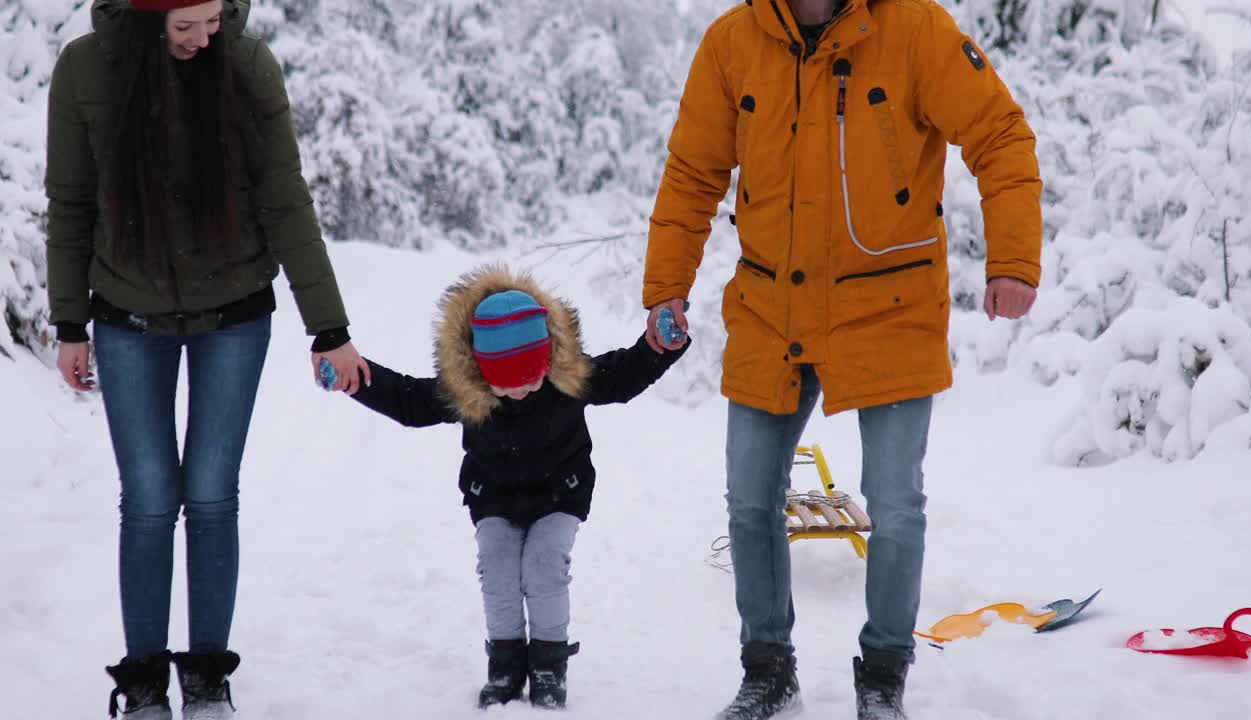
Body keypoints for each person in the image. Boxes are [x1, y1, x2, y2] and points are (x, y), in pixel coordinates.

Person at [642, 0, 1042, 718]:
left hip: (889, 310)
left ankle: (884, 674)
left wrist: (1012, 260)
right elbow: (692, 174)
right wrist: (666, 285)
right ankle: (768, 670)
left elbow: (1000, 136)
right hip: (771, 310)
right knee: (748, 498)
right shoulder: (733, 42)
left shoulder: (917, 30)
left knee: (896, 505)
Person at [45, 1, 369, 716]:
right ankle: (142, 683)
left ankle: (206, 676)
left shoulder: (247, 65)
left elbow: (287, 200)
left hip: (233, 315)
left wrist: (330, 327)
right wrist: (69, 321)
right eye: (184, 27)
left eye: (213, 20)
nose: (204, 39)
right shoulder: (84, 70)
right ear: (140, 16)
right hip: (128, 316)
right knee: (151, 498)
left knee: (214, 496)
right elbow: (69, 203)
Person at [341, 266, 689, 710]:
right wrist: (357, 376)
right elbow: (409, 401)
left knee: (544, 565)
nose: (522, 391)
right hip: (496, 498)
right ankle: (505, 665)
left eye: (531, 378)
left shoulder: (568, 378)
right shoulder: (467, 392)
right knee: (498, 569)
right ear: (481, 372)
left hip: (561, 491)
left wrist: (661, 346)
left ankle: (548, 664)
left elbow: (624, 376)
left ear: (547, 361)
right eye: (507, 383)